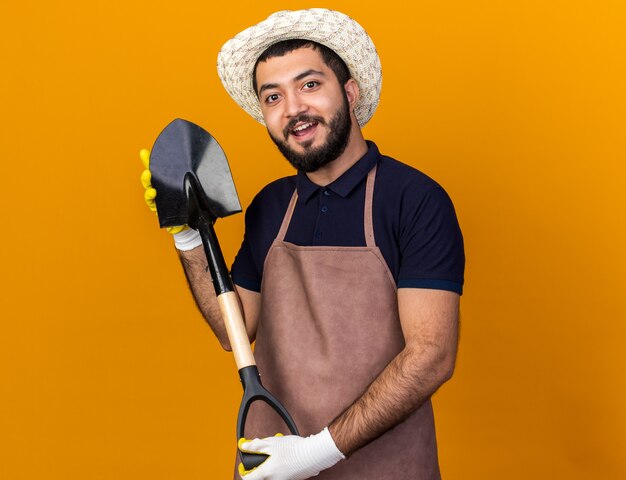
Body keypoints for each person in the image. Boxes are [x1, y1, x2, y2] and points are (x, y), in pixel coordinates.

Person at [141, 8, 464, 480]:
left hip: (386, 468)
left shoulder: (414, 200)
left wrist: (316, 453)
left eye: (309, 85)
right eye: (273, 96)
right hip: (272, 466)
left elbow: (432, 355)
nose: (293, 108)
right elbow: (233, 329)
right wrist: (189, 239)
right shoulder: (271, 205)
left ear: (349, 93)